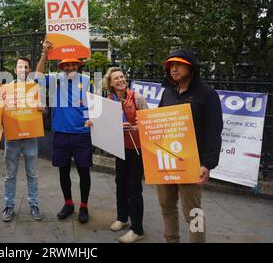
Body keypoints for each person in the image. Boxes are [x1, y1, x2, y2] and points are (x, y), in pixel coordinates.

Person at [156, 48, 223, 243]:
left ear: (191, 67)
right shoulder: (168, 93)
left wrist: (207, 164)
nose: (173, 69)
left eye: (178, 65)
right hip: (166, 162)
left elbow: (214, 131)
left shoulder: (207, 94)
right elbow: (159, 123)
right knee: (166, 206)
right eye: (170, 66)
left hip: (191, 164)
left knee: (194, 213)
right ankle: (171, 240)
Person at [86, 67, 148, 243]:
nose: (121, 80)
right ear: (110, 83)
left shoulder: (137, 98)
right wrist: (91, 122)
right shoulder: (108, 101)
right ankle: (122, 218)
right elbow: (101, 124)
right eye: (116, 78)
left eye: (122, 77)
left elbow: (150, 123)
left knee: (134, 188)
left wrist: (135, 127)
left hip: (137, 150)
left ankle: (137, 229)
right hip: (119, 149)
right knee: (120, 183)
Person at [35, 40, 93, 224]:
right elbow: (35, 77)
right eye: (66, 64)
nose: (70, 67)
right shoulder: (55, 80)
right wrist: (44, 53)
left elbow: (95, 106)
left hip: (82, 133)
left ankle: (84, 206)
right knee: (63, 171)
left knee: (84, 172)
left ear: (78, 65)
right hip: (61, 133)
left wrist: (93, 118)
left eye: (73, 63)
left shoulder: (87, 81)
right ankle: (68, 204)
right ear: (62, 67)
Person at [1, 58, 45, 222]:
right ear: (15, 69)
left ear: (29, 70)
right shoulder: (6, 89)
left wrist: (42, 108)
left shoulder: (35, 88)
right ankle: (9, 205)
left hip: (30, 137)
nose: (23, 69)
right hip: (12, 138)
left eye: (26, 67)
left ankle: (33, 204)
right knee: (10, 174)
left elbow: (42, 113)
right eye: (20, 66)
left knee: (32, 174)